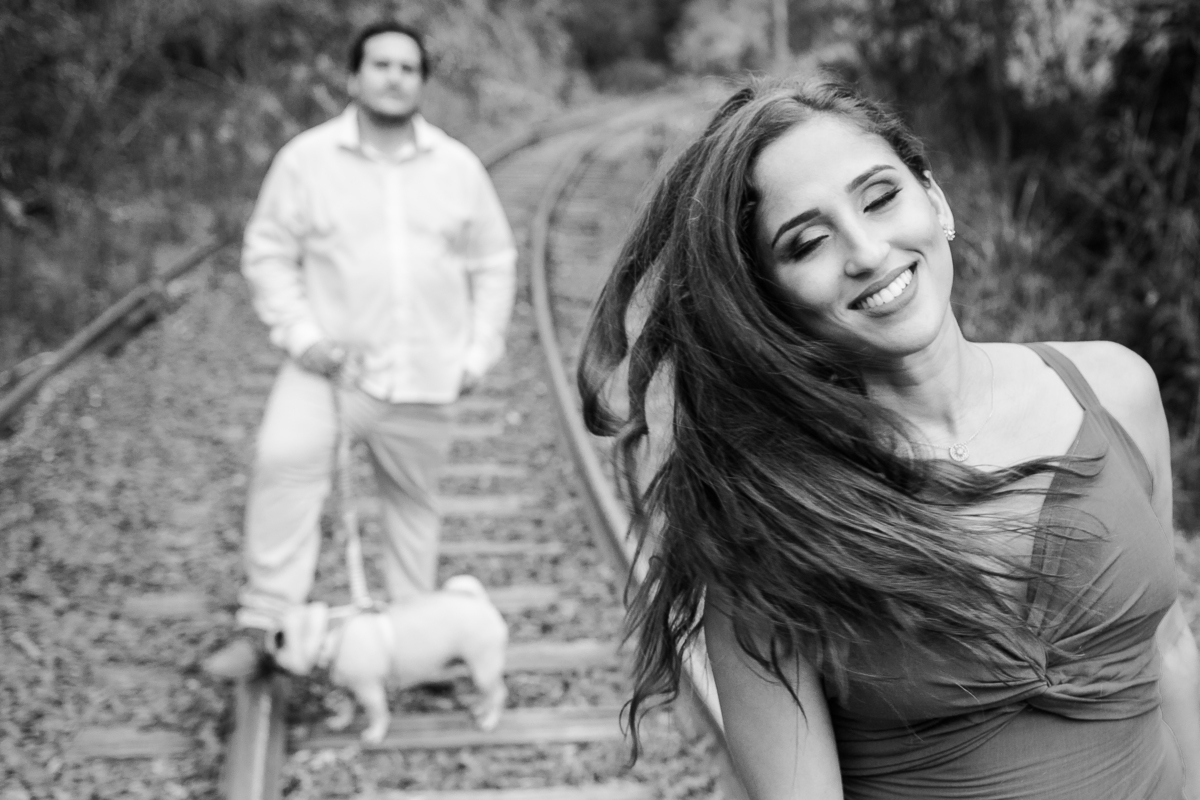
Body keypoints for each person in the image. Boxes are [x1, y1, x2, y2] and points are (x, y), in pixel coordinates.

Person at [578, 76, 1200, 799]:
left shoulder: (1117, 389)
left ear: (935, 200)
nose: (868, 251)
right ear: (770, 300)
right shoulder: (769, 525)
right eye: (808, 242)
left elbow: (1170, 652)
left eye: (880, 198)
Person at [204, 21, 517, 679]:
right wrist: (302, 336)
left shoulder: (457, 167)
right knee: (283, 463)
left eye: (408, 67)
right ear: (354, 77)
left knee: (412, 507)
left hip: (425, 371)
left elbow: (493, 260)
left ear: (421, 83)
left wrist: (478, 352)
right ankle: (265, 628)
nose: (394, 77)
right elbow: (267, 252)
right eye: (381, 64)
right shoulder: (306, 160)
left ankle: (413, 646)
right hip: (329, 371)